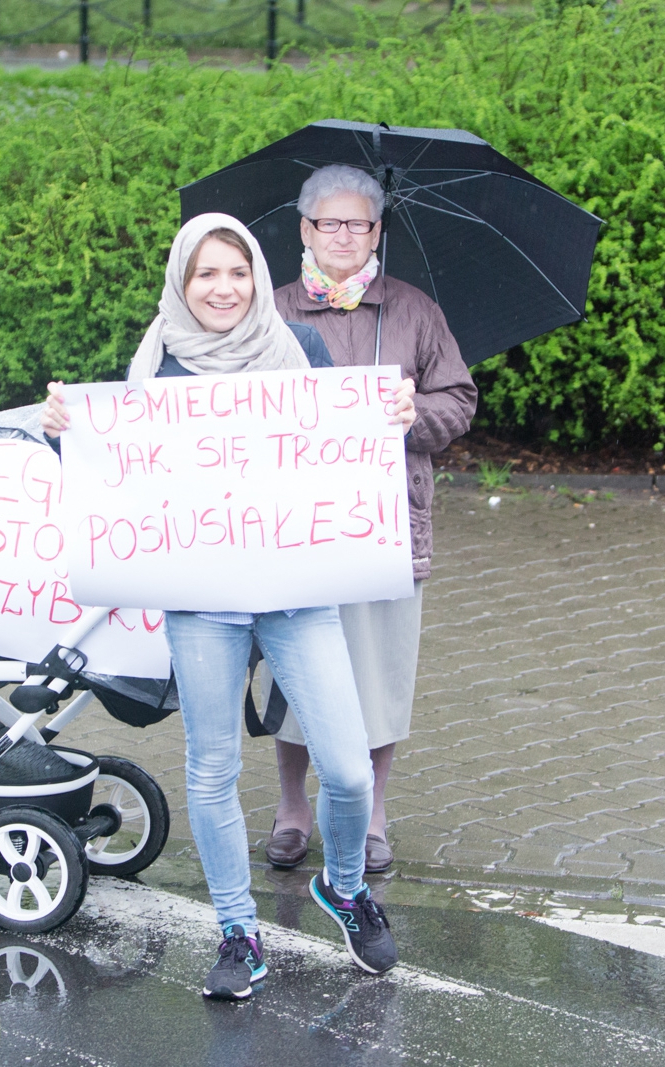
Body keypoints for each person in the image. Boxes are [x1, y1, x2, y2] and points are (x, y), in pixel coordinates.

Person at [41, 213, 416, 1000]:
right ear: (182, 280)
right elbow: (112, 472)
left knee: (347, 768)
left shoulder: (301, 349)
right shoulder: (155, 368)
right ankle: (237, 932)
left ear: (256, 278)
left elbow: (340, 452)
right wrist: (61, 433)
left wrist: (388, 423)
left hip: (294, 592)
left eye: (237, 271)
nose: (223, 287)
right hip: (201, 598)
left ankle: (344, 888)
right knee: (212, 768)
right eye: (205, 273)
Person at [265, 164, 477, 874]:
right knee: (293, 672)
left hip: (388, 524)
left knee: (380, 674)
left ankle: (374, 810)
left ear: (378, 230)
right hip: (294, 528)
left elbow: (460, 400)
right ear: (305, 229)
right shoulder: (270, 310)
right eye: (331, 222)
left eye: (360, 223)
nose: (345, 236)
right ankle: (293, 806)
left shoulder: (413, 310)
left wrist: (414, 413)